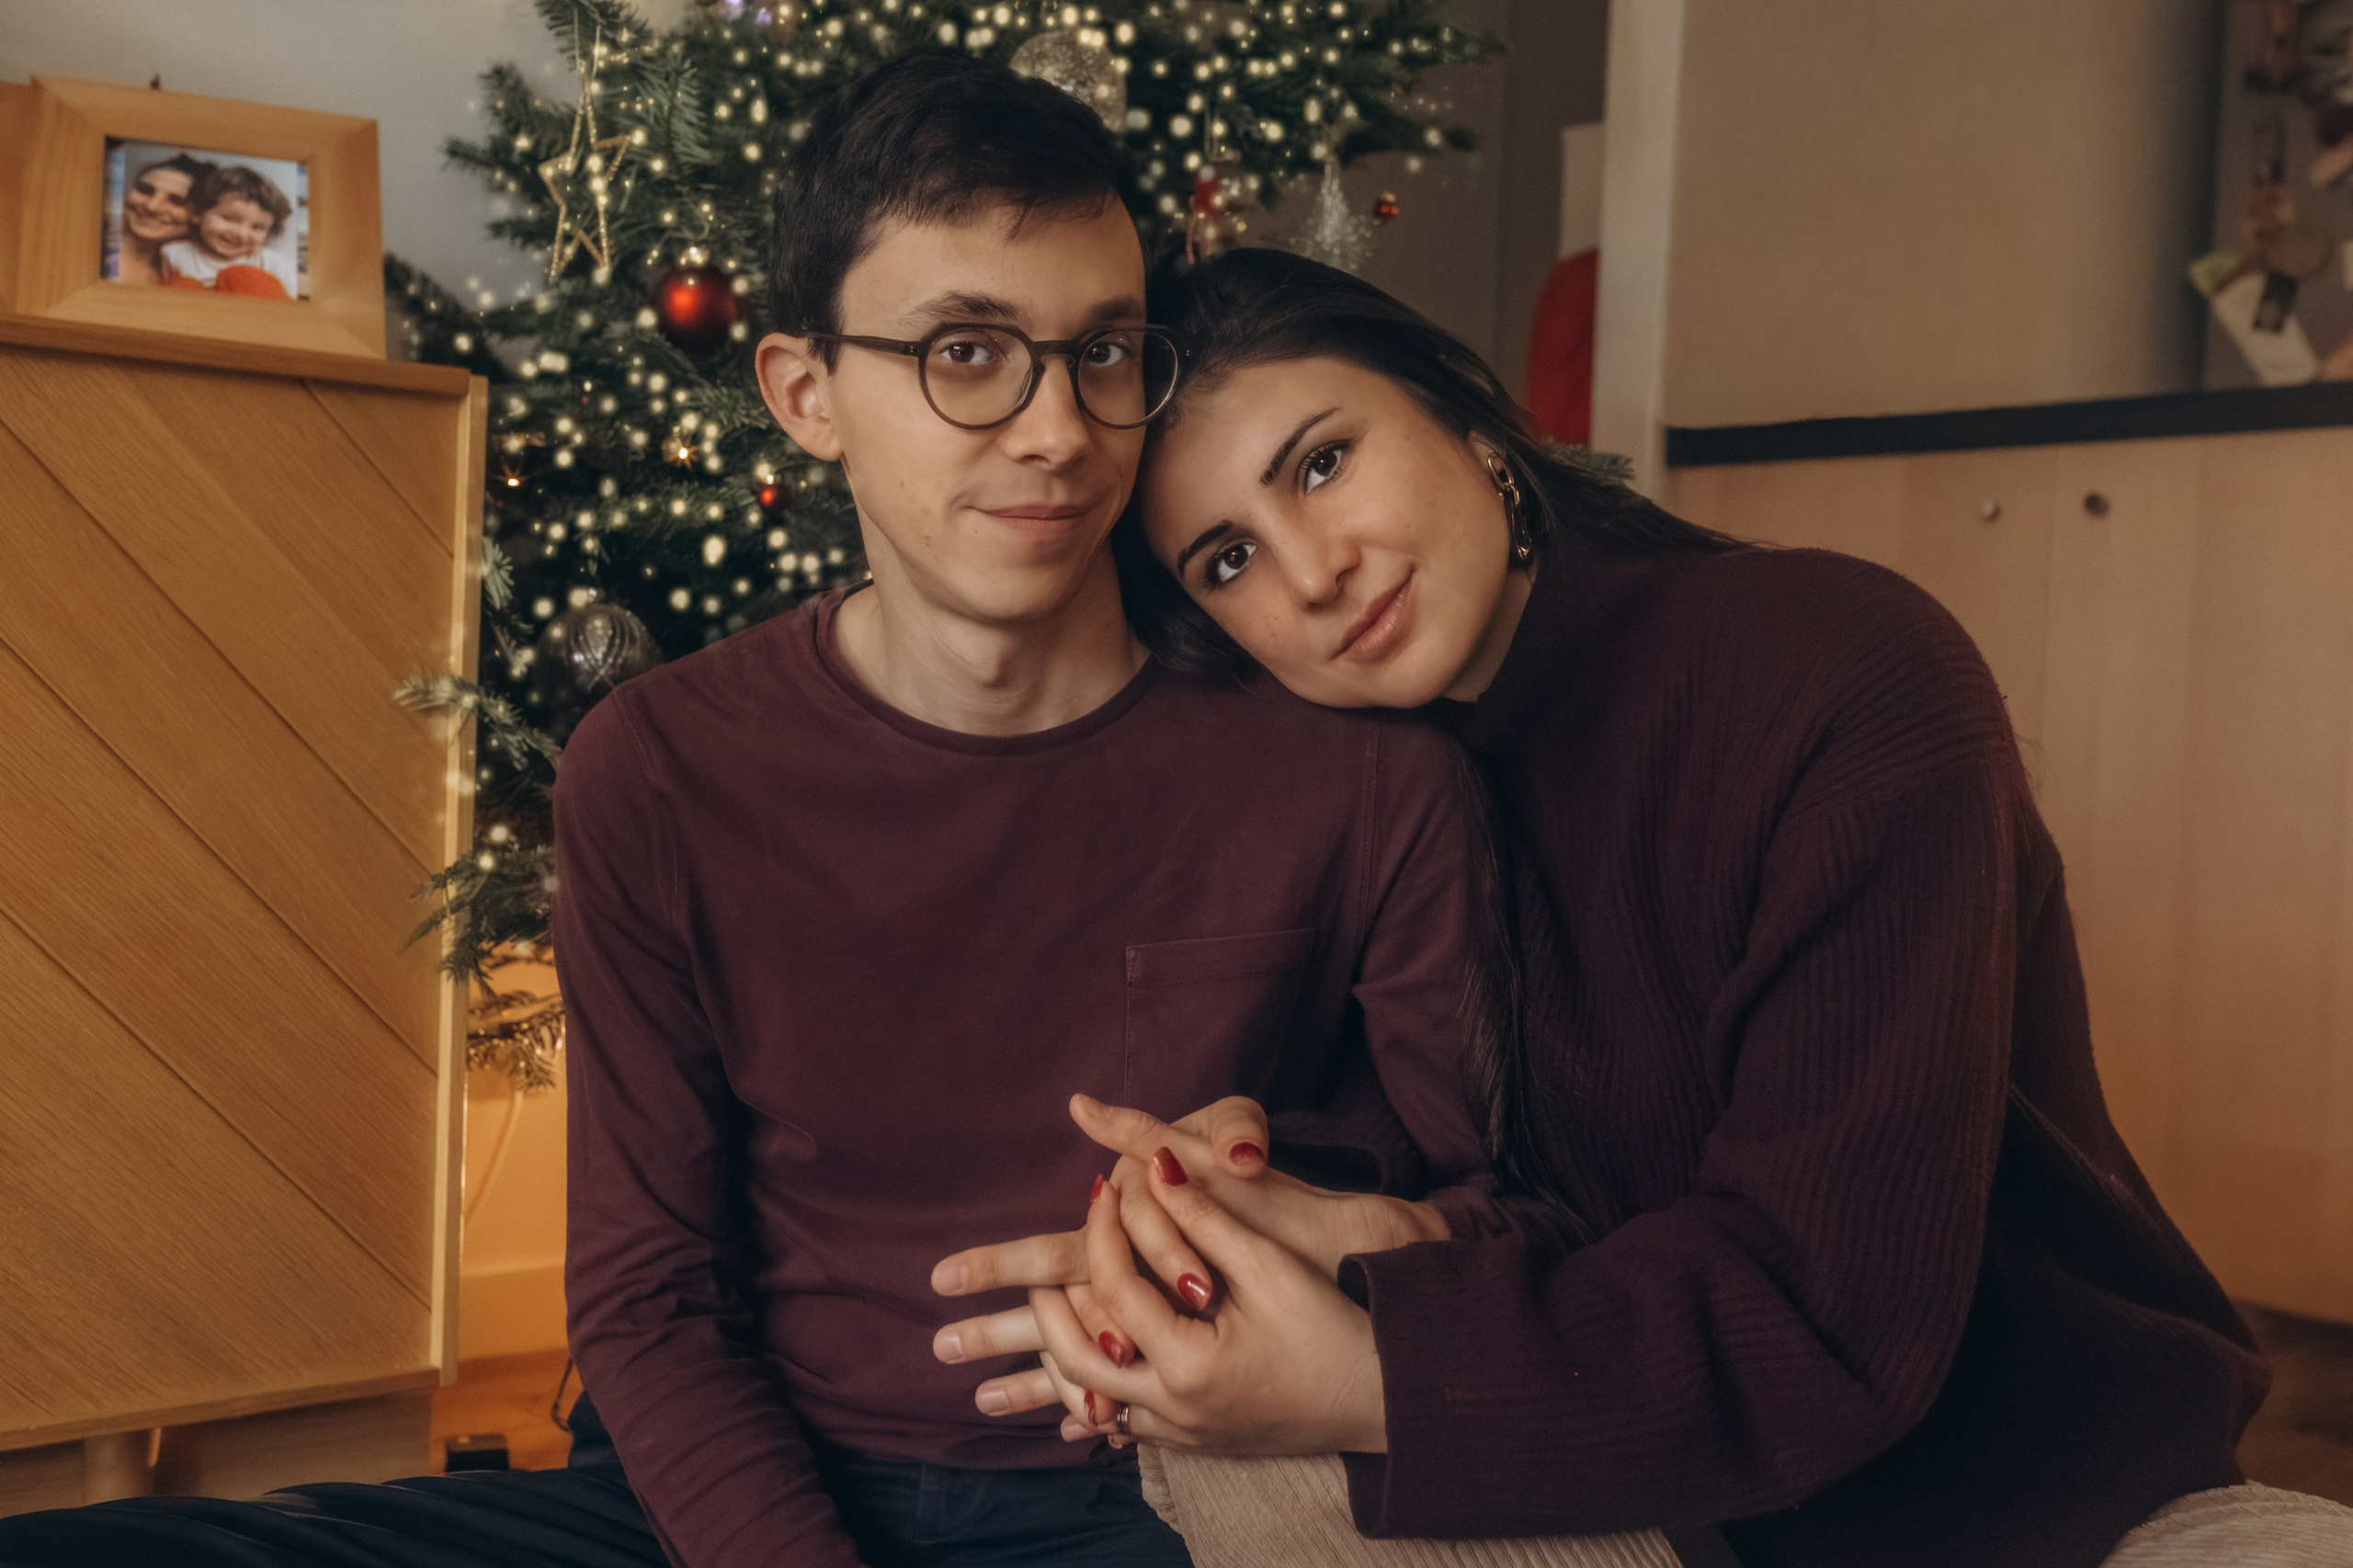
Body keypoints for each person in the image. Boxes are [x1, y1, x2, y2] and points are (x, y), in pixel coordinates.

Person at [0, 53, 1515, 1568]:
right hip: (734, 1491)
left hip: (1171, 1498)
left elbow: (1491, 1211)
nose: (1059, 428)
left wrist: (1300, 1205)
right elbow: (650, 1305)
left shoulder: (1353, 767)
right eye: (968, 353)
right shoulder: (656, 769)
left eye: (1103, 351)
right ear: (806, 395)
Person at [929, 247, 2294, 1568]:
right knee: (1221, 1436)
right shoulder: (1366, 784)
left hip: (2024, 1500)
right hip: (1651, 1498)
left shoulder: (1841, 673)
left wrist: (1366, 1377)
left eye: (1324, 461)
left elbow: (1837, 1313)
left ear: (1469, 422)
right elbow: (1491, 1183)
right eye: (1226, 560)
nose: (1311, 572)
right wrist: (1271, 1198)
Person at [161, 162, 297, 298]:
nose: (241, 234)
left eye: (257, 227)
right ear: (198, 213)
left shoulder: (273, 264)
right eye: (230, 219)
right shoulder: (174, 254)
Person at [108, 153, 208, 286]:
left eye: (176, 201)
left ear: (200, 216)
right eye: (145, 190)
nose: (152, 206)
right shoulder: (93, 249)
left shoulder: (189, 278)